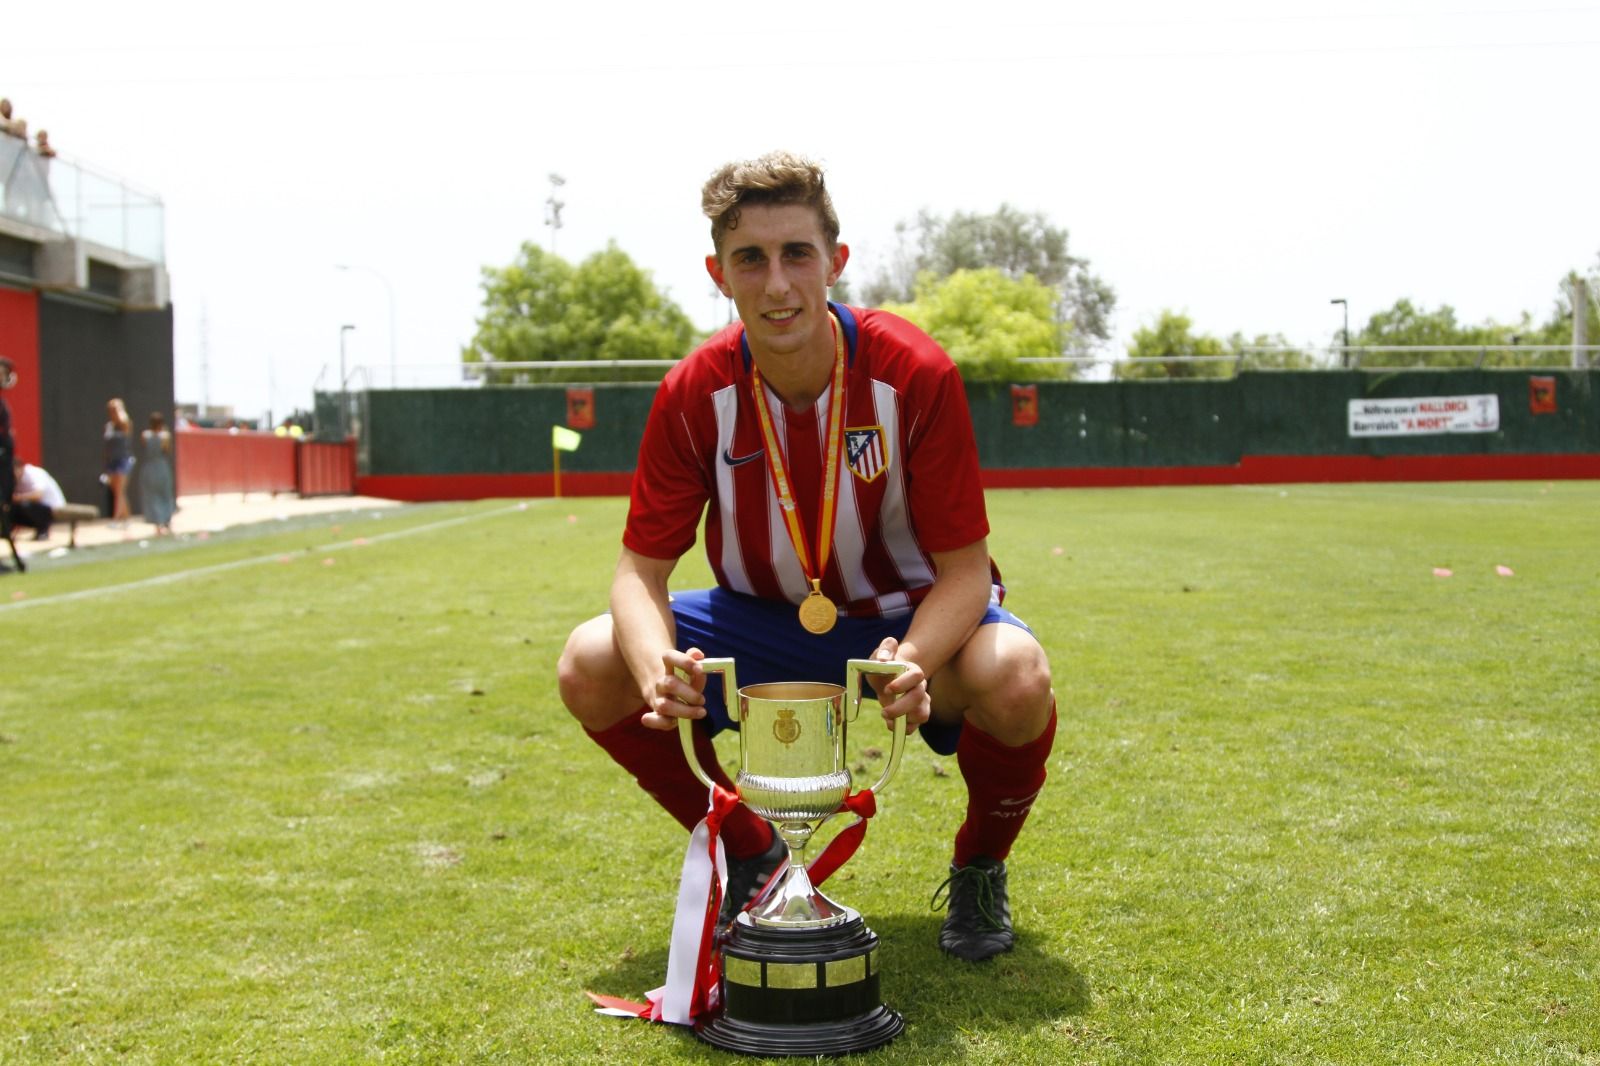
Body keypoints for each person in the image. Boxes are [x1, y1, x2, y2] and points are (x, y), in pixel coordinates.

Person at [557, 152, 1056, 963]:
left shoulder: (913, 373)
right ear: (719, 273)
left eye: (797, 254)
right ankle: (749, 848)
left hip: (908, 617)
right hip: (759, 625)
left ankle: (979, 867)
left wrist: (917, 660)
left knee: (1017, 673)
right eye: (751, 259)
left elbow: (966, 570)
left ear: (837, 262)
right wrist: (657, 669)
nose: (777, 283)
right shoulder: (693, 393)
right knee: (590, 662)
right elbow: (637, 575)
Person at [136, 411, 176, 534]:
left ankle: (158, 524)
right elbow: (167, 450)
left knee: (152, 497)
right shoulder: (165, 436)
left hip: (149, 468)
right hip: (161, 467)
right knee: (165, 495)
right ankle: (166, 522)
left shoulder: (145, 435)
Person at [11, 457, 64, 539]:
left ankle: (43, 530)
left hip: (51, 507)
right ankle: (7, 531)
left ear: (20, 468)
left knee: (25, 505)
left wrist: (18, 498)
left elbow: (38, 496)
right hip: (35, 508)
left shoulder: (34, 473)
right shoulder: (12, 479)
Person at [103, 398, 133, 525]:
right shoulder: (109, 426)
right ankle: (127, 518)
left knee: (119, 491)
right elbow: (107, 445)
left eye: (115, 409)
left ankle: (116, 519)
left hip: (123, 460)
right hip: (112, 461)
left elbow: (123, 420)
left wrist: (119, 408)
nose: (113, 411)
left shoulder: (125, 423)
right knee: (117, 491)